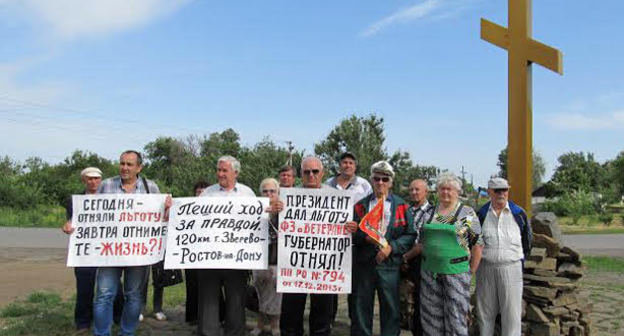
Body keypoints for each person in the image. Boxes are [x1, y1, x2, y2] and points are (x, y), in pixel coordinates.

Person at [93, 150, 165, 336]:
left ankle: (127, 333)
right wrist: (73, 224)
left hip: (137, 254)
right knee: (104, 295)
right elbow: (91, 215)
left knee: (133, 296)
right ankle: (102, 333)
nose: (124, 168)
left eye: (129, 164)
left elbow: (160, 219)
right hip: (109, 252)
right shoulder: (106, 185)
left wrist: (168, 210)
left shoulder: (151, 188)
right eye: (122, 163)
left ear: (139, 167)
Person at [344, 161, 415, 336]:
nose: (381, 183)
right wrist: (364, 236)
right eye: (377, 179)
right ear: (372, 180)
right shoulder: (360, 206)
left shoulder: (401, 206)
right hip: (364, 265)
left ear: (391, 182)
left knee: (391, 309)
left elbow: (410, 235)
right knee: (361, 308)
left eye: (385, 179)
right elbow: (352, 234)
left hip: (390, 265)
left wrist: (392, 248)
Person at [417, 173, 483, 336]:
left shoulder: (466, 213)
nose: (445, 192)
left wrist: (471, 271)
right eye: (442, 189)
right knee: (431, 318)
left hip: (456, 274)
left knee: (456, 317)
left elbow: (478, 245)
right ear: (437, 191)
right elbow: (421, 241)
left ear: (457, 192)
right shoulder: (429, 213)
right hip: (429, 273)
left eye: (450, 189)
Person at [197, 155, 255, 336]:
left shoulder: (247, 193)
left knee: (236, 301)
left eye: (224, 170)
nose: (220, 174)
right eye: (218, 170)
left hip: (237, 259)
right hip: (210, 258)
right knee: (208, 301)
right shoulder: (207, 193)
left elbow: (256, 222)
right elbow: (195, 220)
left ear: (235, 172)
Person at [62, 167, 123, 333]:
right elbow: (72, 221)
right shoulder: (75, 200)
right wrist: (68, 226)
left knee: (115, 286)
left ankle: (118, 317)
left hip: (108, 250)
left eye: (97, 179)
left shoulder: (111, 198)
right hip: (86, 252)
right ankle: (83, 322)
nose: (94, 182)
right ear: (84, 180)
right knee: (84, 287)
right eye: (90, 179)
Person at [280, 156, 334, 336]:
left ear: (322, 173)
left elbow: (344, 228)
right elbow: (276, 226)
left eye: (315, 171)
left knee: (322, 315)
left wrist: (350, 227)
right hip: (294, 266)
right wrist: (275, 213)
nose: (311, 175)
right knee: (291, 314)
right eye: (306, 172)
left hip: (324, 266)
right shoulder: (288, 196)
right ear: (301, 174)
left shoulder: (335, 197)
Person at [475, 177, 532, 336]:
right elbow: (471, 241)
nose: (501, 193)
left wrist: (519, 259)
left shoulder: (519, 213)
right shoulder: (480, 214)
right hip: (485, 267)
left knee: (512, 315)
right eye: (497, 190)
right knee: (485, 313)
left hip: (511, 267)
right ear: (489, 192)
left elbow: (528, 241)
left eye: (504, 190)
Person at [324, 152, 373, 323]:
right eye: (344, 162)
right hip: (332, 242)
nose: (347, 165)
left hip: (356, 243)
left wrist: (359, 227)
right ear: (339, 165)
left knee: (355, 285)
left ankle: (355, 321)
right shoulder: (328, 184)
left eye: (351, 162)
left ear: (355, 166)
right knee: (330, 283)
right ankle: (329, 319)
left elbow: (371, 211)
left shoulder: (364, 185)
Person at [401, 179, 433, 336]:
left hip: (420, 261)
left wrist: (406, 257)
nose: (414, 192)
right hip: (402, 260)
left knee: (421, 303)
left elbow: (424, 243)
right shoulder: (405, 210)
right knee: (403, 301)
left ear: (426, 192)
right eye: (411, 189)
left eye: (417, 190)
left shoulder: (433, 213)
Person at [250, 178, 283, 336]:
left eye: (272, 191)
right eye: (265, 191)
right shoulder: (252, 210)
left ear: (278, 193)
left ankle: (275, 325)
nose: (269, 194)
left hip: (277, 259)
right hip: (259, 258)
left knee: (276, 295)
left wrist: (277, 213)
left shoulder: (285, 210)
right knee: (260, 293)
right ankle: (260, 324)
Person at [184, 180, 210, 325]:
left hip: (210, 254)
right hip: (192, 254)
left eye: (203, 191)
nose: (200, 194)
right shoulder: (187, 209)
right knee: (192, 284)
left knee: (212, 287)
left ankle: (218, 315)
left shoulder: (217, 208)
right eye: (198, 192)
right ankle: (192, 316)